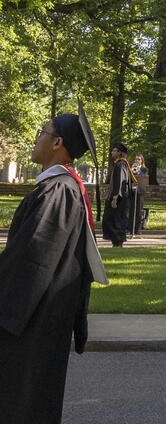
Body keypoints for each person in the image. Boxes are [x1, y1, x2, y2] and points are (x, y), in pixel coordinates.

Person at [0, 106, 108, 424]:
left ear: (58, 142)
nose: (36, 140)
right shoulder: (62, 188)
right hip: (40, 316)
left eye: (42, 132)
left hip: (30, 319)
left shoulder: (59, 191)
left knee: (22, 400)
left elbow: (32, 261)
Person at [102, 141, 132, 247]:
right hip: (120, 198)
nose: (111, 152)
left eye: (114, 151)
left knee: (116, 220)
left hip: (119, 199)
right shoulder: (121, 164)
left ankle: (118, 242)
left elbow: (120, 182)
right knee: (114, 220)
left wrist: (115, 198)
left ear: (119, 152)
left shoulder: (121, 165)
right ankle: (117, 242)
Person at [131, 154, 147, 235]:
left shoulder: (144, 169)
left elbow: (143, 179)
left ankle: (137, 229)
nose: (137, 161)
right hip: (132, 192)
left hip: (140, 192)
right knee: (131, 210)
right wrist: (132, 170)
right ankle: (130, 228)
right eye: (136, 159)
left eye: (139, 159)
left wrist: (137, 171)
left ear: (142, 161)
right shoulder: (131, 168)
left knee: (138, 210)